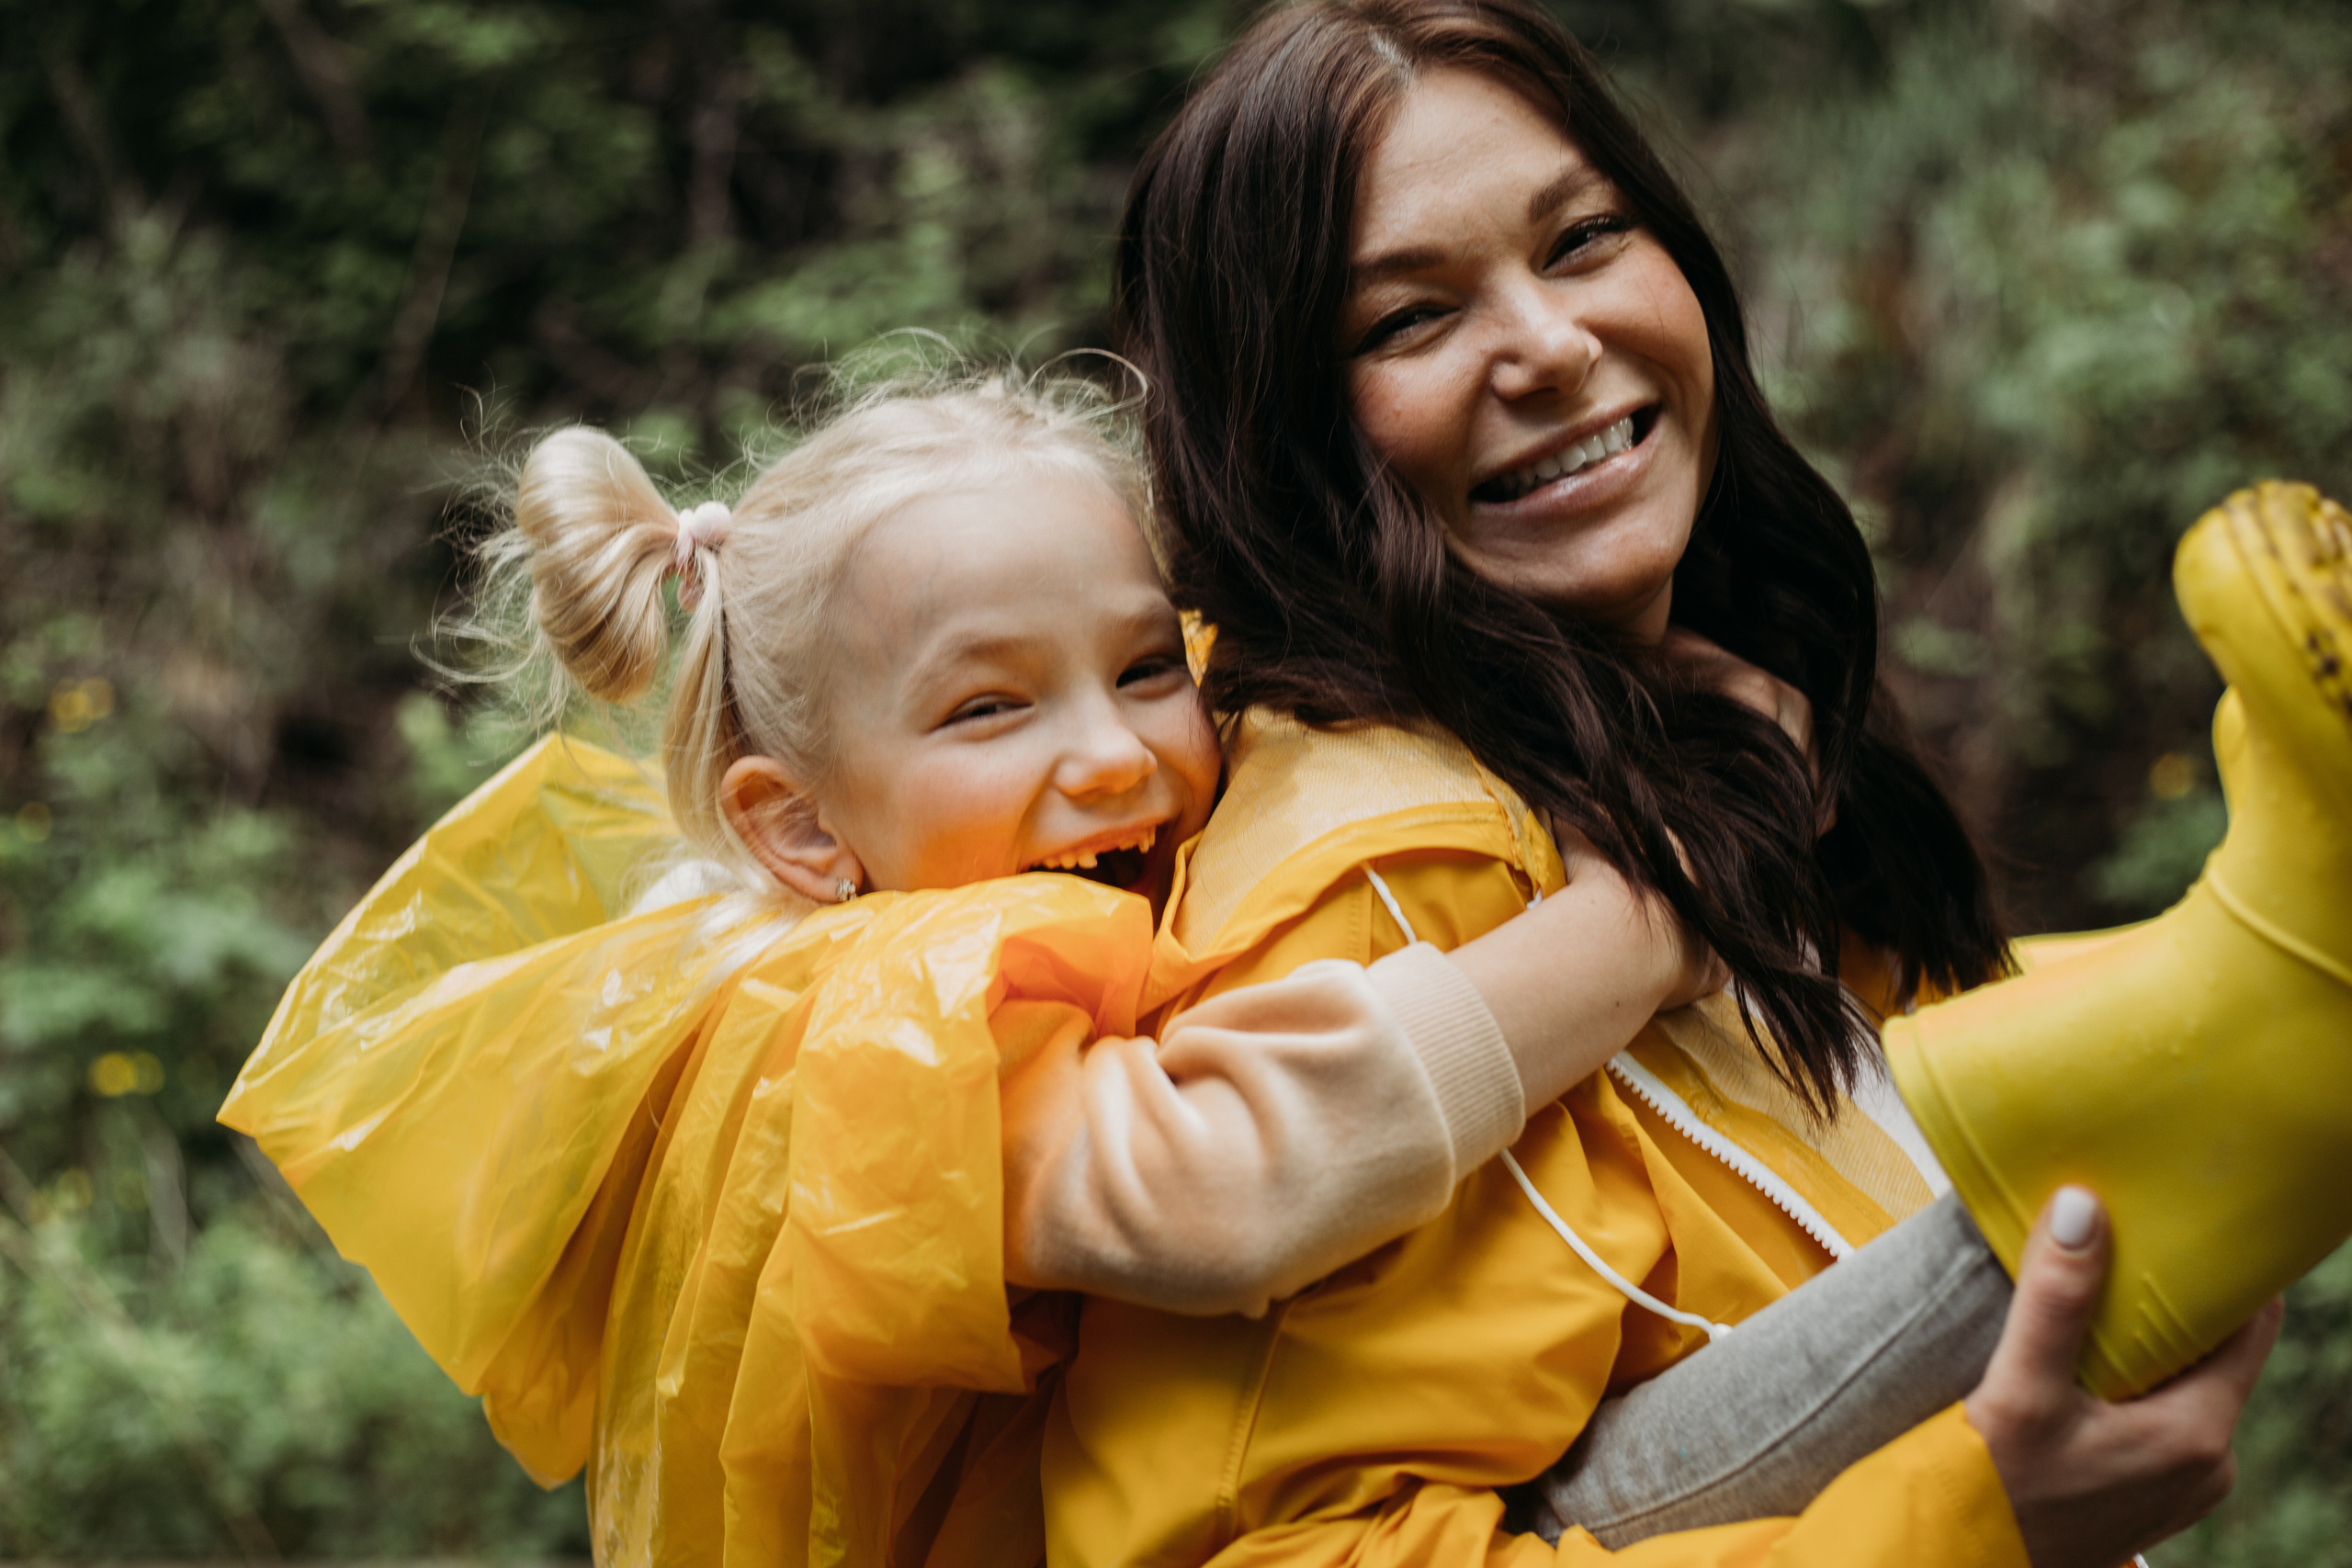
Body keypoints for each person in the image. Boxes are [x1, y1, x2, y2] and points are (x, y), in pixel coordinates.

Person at [1042, 1, 2348, 1562]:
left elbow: (1854, 1142)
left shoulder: (1700, 729)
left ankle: (2253, 993)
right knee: (2202, 1096)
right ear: (1283, 439)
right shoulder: (1377, 871)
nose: (1548, 343)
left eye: (1584, 236)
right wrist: (1969, 1523)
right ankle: (2278, 1005)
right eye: (1407, 320)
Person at [221, 369, 1747, 1566]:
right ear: (805, 829)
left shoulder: (1035, 874)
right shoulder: (878, 1029)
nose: (1110, 753)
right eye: (985, 712)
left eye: (1150, 668)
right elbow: (1222, 1181)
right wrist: (1658, 920)